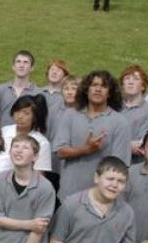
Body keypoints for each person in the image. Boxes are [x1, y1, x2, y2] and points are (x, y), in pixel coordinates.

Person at [54, 70, 132, 200]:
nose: (98, 89)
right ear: (86, 90)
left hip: (101, 199)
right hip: (68, 194)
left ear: (110, 93)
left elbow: (119, 166)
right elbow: (60, 151)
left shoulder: (120, 122)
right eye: (94, 85)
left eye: (103, 86)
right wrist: (86, 149)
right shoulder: (70, 115)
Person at [0, 51, 41, 128]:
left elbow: (40, 120)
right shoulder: (1, 90)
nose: (21, 65)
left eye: (26, 62)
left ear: (32, 68)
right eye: (18, 62)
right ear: (13, 67)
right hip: (3, 137)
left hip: (26, 138)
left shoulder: (38, 93)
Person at [1, 95, 52, 174]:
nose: (20, 116)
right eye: (17, 111)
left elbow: (39, 175)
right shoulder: (4, 131)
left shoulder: (42, 142)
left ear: (35, 117)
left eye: (26, 113)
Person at [120, 64, 148, 163]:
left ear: (143, 86)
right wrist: (129, 145)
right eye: (127, 78)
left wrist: (113, 143)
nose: (130, 82)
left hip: (133, 166)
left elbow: (140, 146)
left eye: (136, 79)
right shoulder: (113, 108)